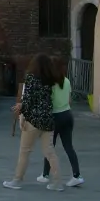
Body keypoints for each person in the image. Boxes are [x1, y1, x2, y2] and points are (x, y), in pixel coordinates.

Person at [3, 54, 62, 191]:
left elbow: (28, 100)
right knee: (49, 151)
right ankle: (58, 182)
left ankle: (17, 179)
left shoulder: (31, 78)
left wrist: (22, 114)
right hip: (47, 118)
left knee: (25, 151)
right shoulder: (50, 80)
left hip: (33, 120)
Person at [37, 59, 84, 187]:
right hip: (67, 115)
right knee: (69, 146)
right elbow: (69, 100)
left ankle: (45, 174)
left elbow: (47, 102)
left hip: (55, 116)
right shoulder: (67, 81)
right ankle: (77, 175)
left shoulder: (50, 84)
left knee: (49, 146)